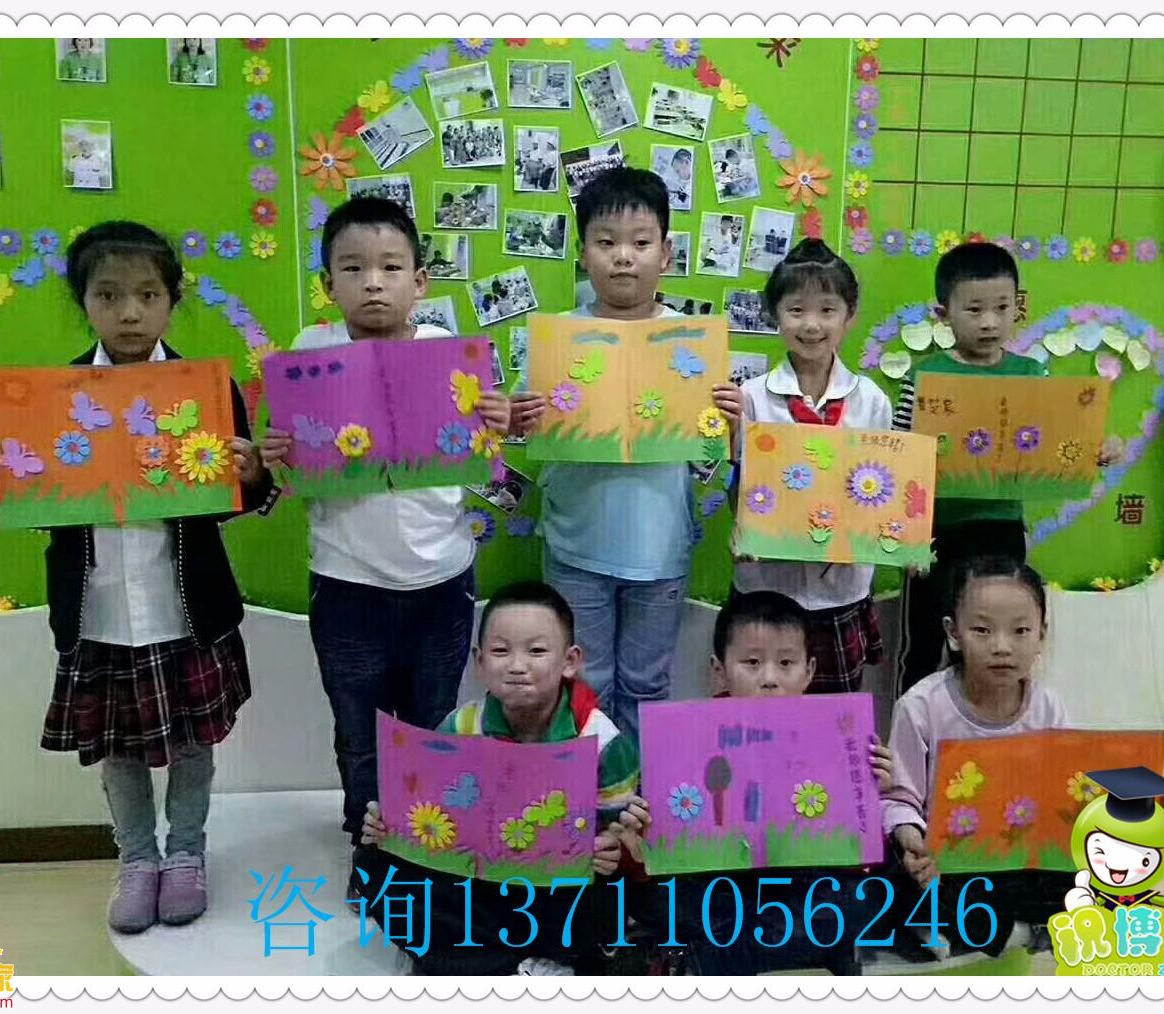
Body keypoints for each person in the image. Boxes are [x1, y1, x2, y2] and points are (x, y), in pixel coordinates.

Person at [0, 222, 274, 934]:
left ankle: (185, 854)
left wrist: (251, 474)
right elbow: (31, 498)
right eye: (109, 295)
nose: (130, 312)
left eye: (148, 295)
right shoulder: (49, 400)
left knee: (192, 744)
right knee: (118, 750)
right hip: (97, 610)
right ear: (84, 303)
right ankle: (136, 859)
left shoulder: (208, 390)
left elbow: (234, 497)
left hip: (186, 606)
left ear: (172, 301)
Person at [258, 198, 510, 895]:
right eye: (353, 268)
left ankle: (427, 846)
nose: (373, 282)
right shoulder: (310, 353)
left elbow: (486, 444)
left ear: (420, 281)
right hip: (346, 582)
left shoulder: (447, 352)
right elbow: (291, 457)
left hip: (442, 580)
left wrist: (497, 417)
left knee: (432, 723)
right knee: (359, 732)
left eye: (391, 267)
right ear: (327, 284)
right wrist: (277, 450)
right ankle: (370, 847)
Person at [509, 168, 745, 749]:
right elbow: (519, 434)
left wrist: (730, 423)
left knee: (645, 685)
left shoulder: (690, 342)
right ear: (582, 252)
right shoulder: (558, 340)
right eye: (605, 241)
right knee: (582, 686)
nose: (623, 257)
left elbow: (711, 450)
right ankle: (588, 793)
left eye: (640, 242)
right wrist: (516, 419)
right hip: (575, 547)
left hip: (661, 551)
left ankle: (635, 796)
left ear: (665, 254)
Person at [356, 581, 650, 975]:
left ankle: (474, 959)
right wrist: (386, 826)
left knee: (614, 902)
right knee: (375, 867)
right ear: (480, 663)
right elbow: (425, 817)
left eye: (536, 651)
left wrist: (612, 848)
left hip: (556, 892)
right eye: (500, 651)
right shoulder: (460, 727)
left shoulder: (603, 740)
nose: (517, 666)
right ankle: (508, 964)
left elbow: (623, 833)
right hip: (482, 884)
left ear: (570, 661)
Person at [892, 242, 1124, 693]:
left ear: (1018, 306)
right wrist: (906, 539)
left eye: (1002, 308)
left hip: (1002, 532)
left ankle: (995, 730)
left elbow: (1062, 440)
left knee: (999, 645)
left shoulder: (1032, 375)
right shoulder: (923, 377)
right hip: (934, 537)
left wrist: (1099, 447)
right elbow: (897, 459)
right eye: (974, 309)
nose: (989, 322)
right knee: (924, 646)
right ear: (943, 314)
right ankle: (912, 732)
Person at [644, 590, 894, 975]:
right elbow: (663, 842)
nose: (770, 679)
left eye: (786, 663)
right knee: (658, 899)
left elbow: (861, 849)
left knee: (866, 897)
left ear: (809, 671)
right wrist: (644, 825)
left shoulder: (838, 733)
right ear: (719, 670)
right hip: (724, 885)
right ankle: (796, 944)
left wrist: (879, 790)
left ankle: (710, 958)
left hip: (806, 883)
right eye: (752, 663)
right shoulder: (688, 736)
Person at [884, 556, 1073, 957]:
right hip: (943, 862)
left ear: (1041, 634)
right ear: (953, 634)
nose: (1002, 646)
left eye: (1020, 631)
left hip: (1016, 859)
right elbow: (899, 799)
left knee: (1103, 872)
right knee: (893, 878)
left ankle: (994, 928)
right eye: (982, 630)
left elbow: (1059, 797)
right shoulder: (921, 706)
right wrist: (912, 839)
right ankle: (1009, 929)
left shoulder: (1048, 707)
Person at [733, 239, 893, 692]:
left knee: (832, 713)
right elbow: (740, 483)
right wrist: (743, 528)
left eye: (827, 310)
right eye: (796, 310)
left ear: (849, 315)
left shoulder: (871, 401)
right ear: (774, 314)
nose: (811, 324)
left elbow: (886, 491)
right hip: (766, 586)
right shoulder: (751, 398)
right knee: (761, 710)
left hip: (840, 590)